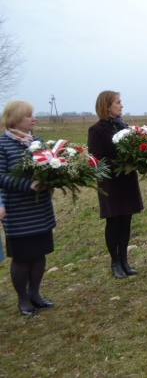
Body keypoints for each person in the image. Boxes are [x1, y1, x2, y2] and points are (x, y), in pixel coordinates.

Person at [0, 101, 57, 316]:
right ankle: (23, 299)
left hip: (40, 208)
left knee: (39, 253)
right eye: (28, 115)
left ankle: (35, 294)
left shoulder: (38, 142)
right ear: (15, 119)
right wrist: (28, 185)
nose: (33, 118)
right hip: (18, 211)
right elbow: (1, 176)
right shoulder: (2, 144)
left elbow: (49, 166)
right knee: (23, 257)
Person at [88, 91, 144, 279]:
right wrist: (122, 163)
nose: (121, 105)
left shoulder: (124, 127)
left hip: (127, 180)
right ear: (106, 106)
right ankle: (115, 262)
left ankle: (125, 261)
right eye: (118, 102)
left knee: (126, 221)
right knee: (113, 222)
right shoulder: (96, 130)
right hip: (110, 183)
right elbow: (97, 159)